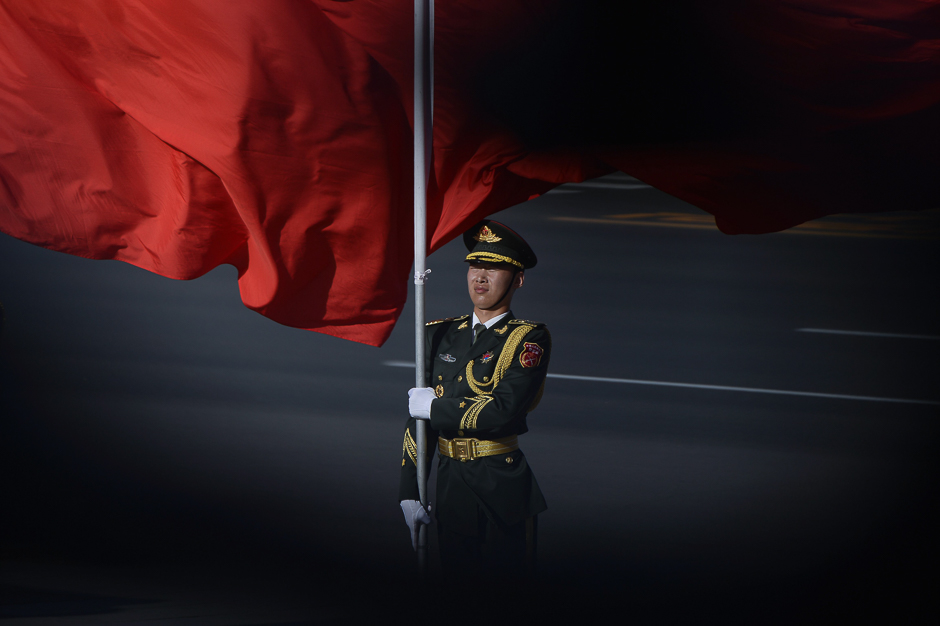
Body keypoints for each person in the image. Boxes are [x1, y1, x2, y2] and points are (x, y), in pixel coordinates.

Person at [399, 219, 550, 577]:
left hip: (502, 489)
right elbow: (418, 419)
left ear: (518, 279)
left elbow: (503, 412)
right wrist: (409, 491)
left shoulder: (528, 339)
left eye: (494, 268)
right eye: (475, 265)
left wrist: (435, 408)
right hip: (451, 487)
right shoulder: (438, 334)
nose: (480, 277)